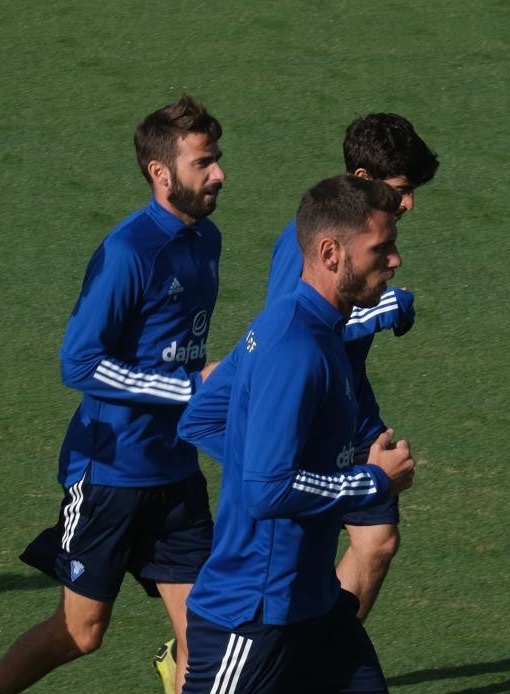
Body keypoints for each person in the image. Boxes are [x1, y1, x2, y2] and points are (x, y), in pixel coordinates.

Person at [0, 93, 225, 694]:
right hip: (111, 471)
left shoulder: (205, 240)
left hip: (176, 469)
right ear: (161, 173)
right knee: (82, 633)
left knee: (209, 632)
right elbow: (79, 362)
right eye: (203, 163)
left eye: (217, 158)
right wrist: (188, 388)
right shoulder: (127, 252)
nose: (218, 173)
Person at [178, 112, 438, 617]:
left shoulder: (364, 236)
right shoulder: (310, 246)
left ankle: (322, 644)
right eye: (402, 188)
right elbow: (294, 337)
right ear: (363, 180)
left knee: (376, 544)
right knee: (358, 542)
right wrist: (384, 311)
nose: (408, 203)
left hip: (348, 413)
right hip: (320, 426)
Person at [180, 175, 416, 694]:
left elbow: (201, 417)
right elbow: (267, 490)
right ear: (331, 252)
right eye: (382, 246)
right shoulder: (296, 349)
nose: (395, 259)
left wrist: (277, 459)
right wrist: (370, 481)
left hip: (314, 604)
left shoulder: (299, 322)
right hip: (255, 616)